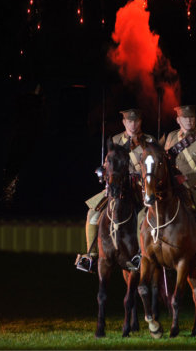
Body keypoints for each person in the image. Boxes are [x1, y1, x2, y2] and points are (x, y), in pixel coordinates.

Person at [81, 108, 154, 271]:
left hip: (141, 187)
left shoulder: (149, 141)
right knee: (93, 213)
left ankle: (140, 254)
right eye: (129, 121)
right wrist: (104, 170)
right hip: (118, 186)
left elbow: (153, 166)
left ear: (140, 122)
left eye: (136, 121)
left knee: (144, 215)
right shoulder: (115, 140)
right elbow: (110, 165)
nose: (133, 124)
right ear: (124, 122)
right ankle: (91, 255)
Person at [164, 105, 196, 267]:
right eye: (185, 118)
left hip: (194, 185)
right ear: (178, 120)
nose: (189, 120)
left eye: (192, 118)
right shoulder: (171, 137)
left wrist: (186, 179)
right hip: (172, 186)